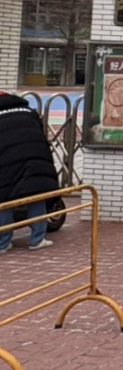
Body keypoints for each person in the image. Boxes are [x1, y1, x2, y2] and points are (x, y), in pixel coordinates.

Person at [0, 91, 60, 252]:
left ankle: (3, 243)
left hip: (7, 163)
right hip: (36, 158)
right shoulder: (27, 111)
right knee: (37, 195)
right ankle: (37, 240)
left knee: (5, 199)